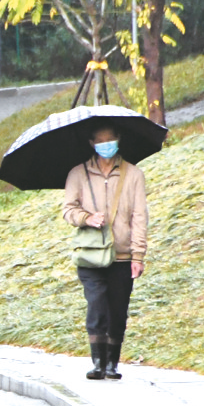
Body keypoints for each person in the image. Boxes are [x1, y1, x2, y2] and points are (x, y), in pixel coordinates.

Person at [63, 124, 148, 380]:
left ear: (119, 140)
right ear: (91, 143)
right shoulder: (77, 174)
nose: (106, 146)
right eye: (100, 142)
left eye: (110, 141)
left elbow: (139, 216)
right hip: (90, 255)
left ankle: (112, 363)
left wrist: (138, 255)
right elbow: (68, 210)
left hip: (121, 255)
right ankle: (97, 362)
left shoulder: (133, 174)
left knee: (118, 309)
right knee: (97, 304)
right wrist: (87, 218)